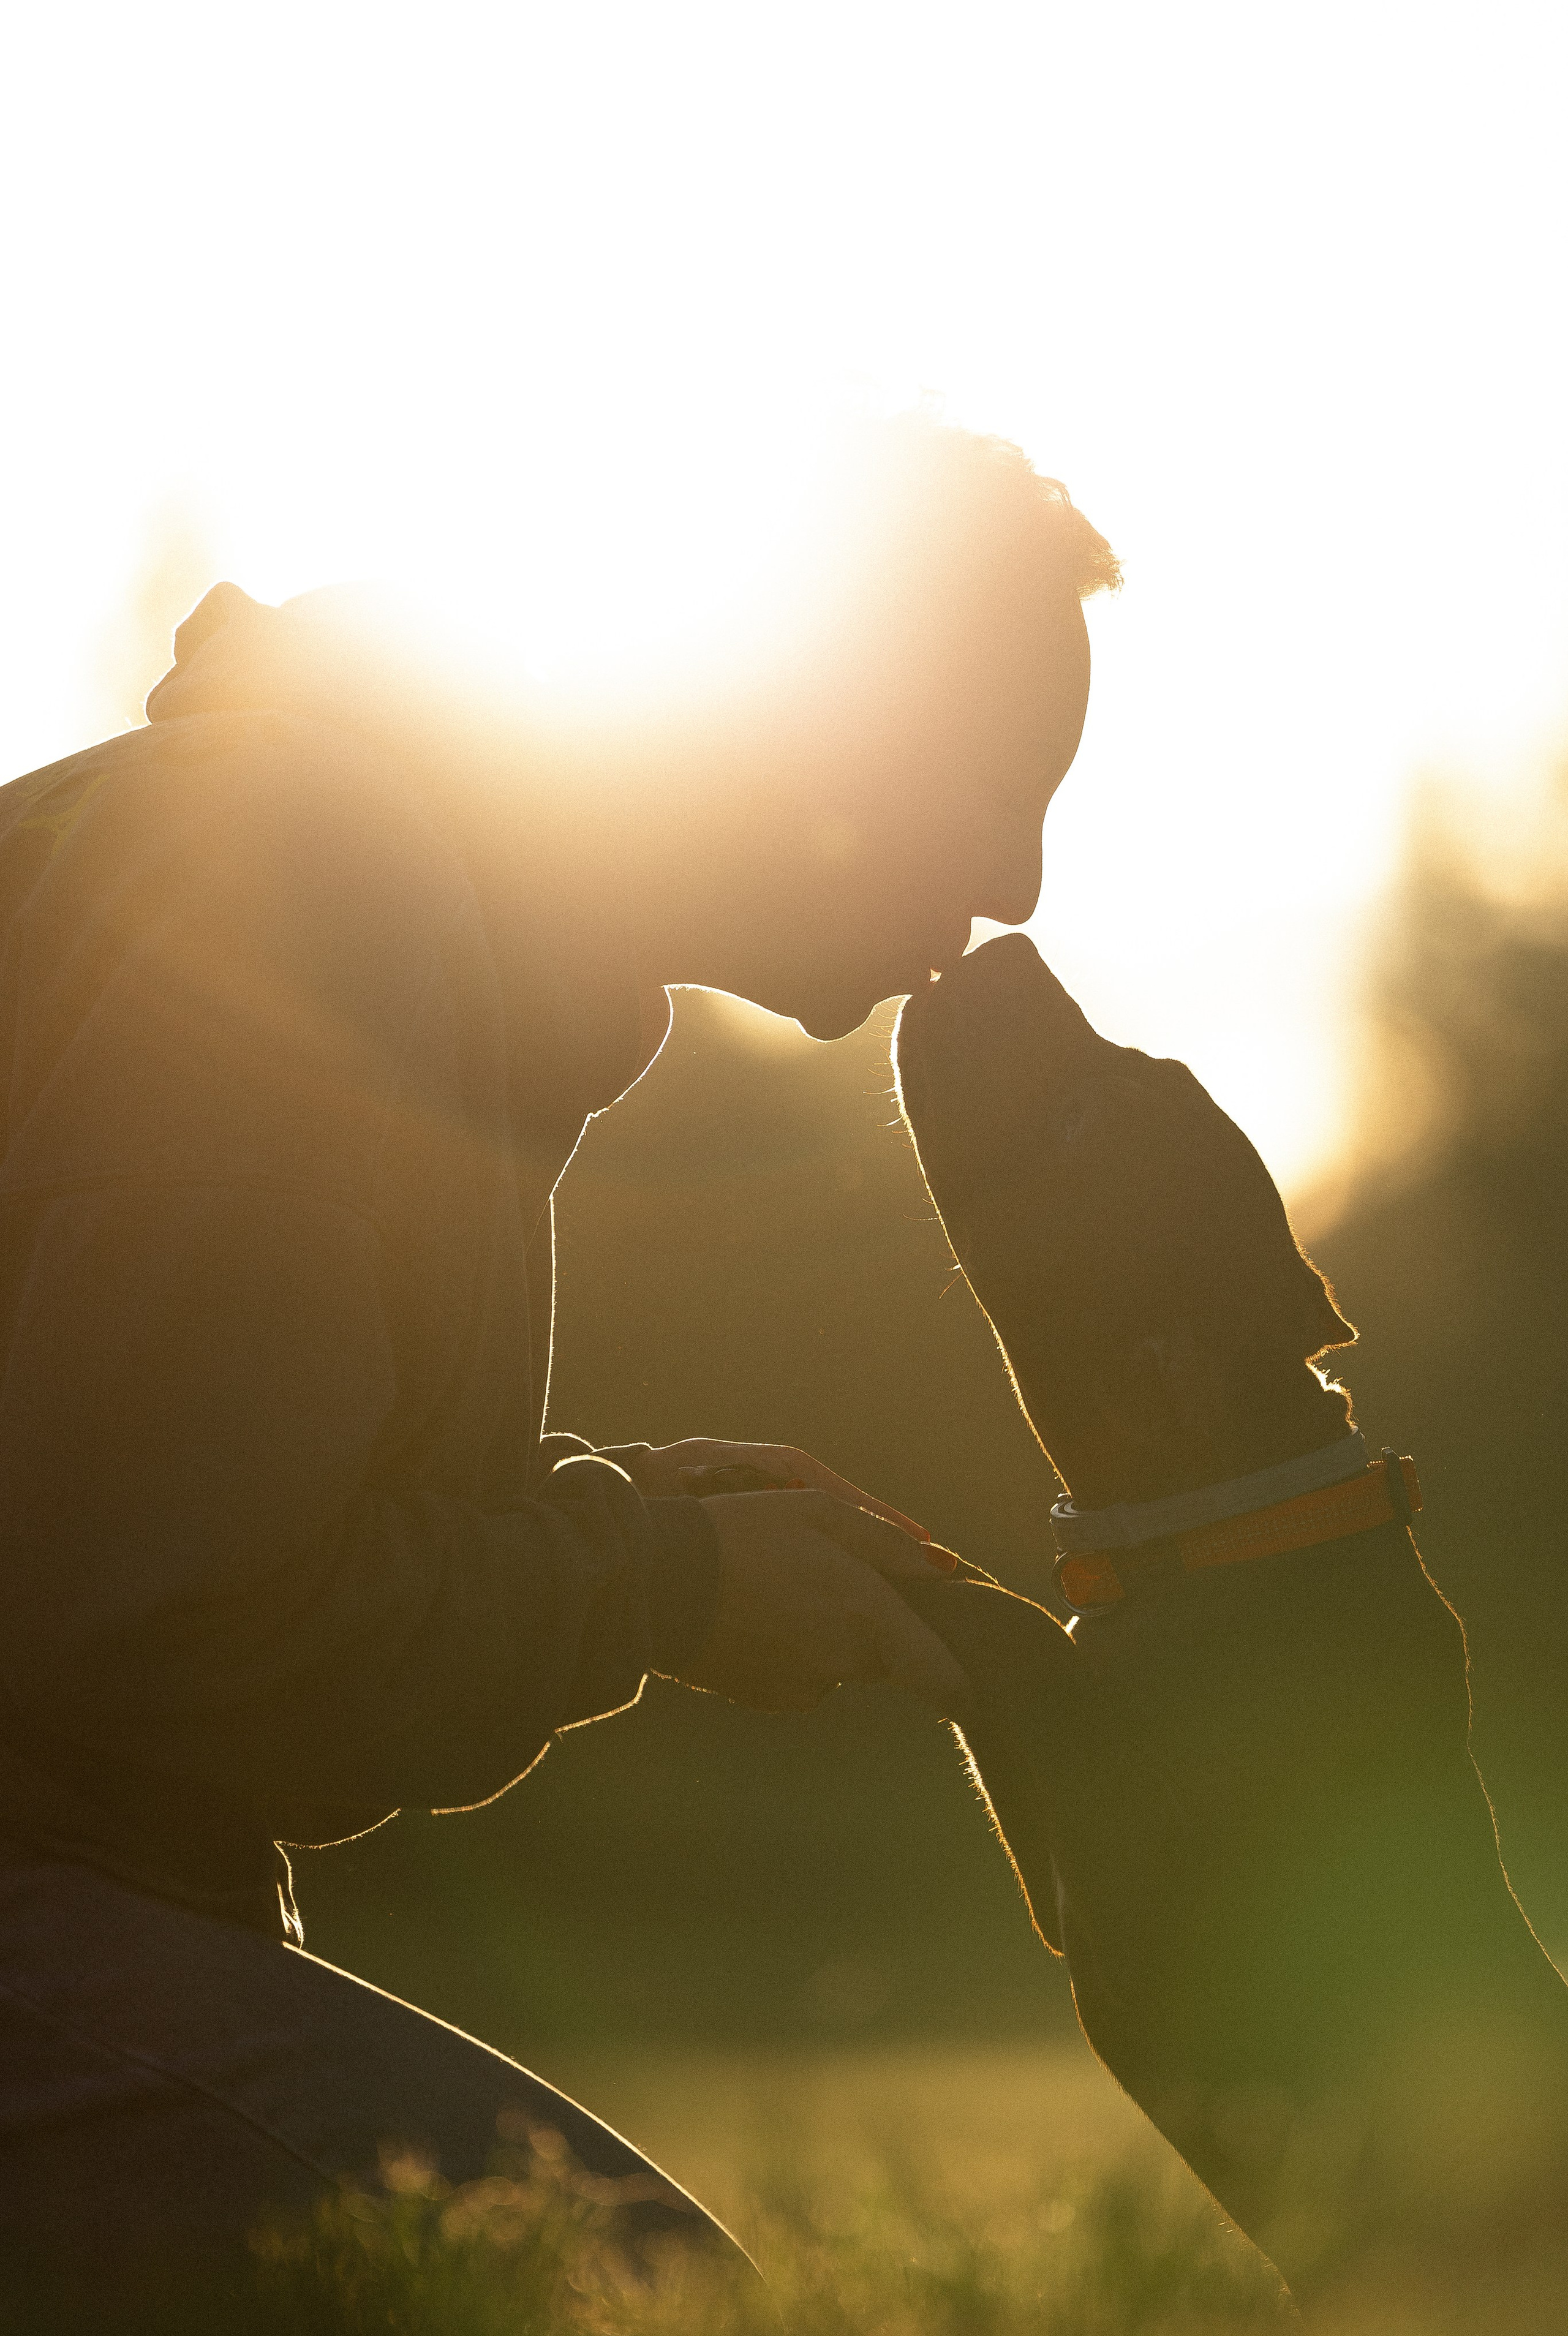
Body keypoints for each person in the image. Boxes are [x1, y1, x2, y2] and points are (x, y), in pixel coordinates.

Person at [0, 413, 1119, 2313]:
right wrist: (657, 1589)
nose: (1016, 878)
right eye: (995, 778)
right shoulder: (304, 874)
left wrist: (627, 1528)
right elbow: (160, 1619)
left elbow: (143, 1525)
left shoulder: (383, 902)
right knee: (632, 2298)